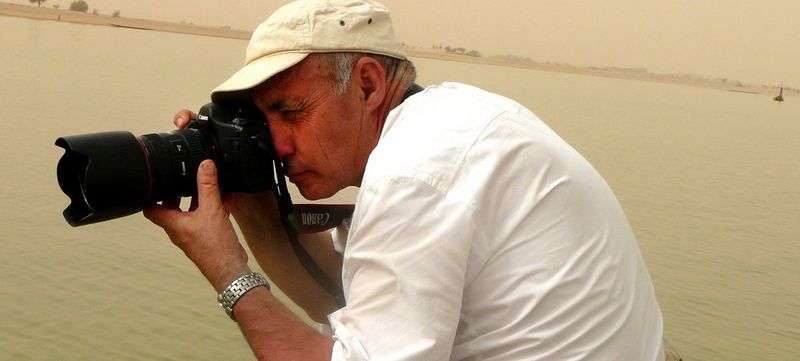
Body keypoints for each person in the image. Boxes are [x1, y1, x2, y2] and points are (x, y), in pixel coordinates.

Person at [143, 0, 665, 360]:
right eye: (265, 121)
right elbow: (341, 300)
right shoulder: (454, 118)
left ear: (367, 83)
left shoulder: (416, 170)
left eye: (291, 112)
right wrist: (254, 200)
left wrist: (225, 268)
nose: (279, 144)